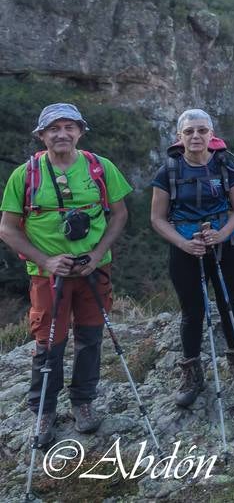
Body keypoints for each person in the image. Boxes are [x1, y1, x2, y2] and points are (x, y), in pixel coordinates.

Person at [0, 103, 132, 445]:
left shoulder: (100, 168)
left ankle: (83, 404)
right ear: (41, 135)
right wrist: (46, 260)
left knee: (90, 337)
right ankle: (44, 411)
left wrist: (98, 253)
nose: (62, 134)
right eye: (53, 128)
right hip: (48, 276)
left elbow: (119, 215)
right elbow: (8, 229)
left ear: (80, 132)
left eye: (69, 127)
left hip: (93, 270)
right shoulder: (25, 175)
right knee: (49, 343)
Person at [148, 108, 234, 408]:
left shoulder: (224, 165)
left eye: (202, 130)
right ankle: (191, 372)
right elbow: (157, 218)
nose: (196, 136)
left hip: (225, 245)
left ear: (211, 134)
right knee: (192, 311)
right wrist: (183, 244)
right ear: (179, 136)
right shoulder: (167, 171)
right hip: (186, 248)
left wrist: (222, 234)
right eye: (189, 131)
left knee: (229, 303)